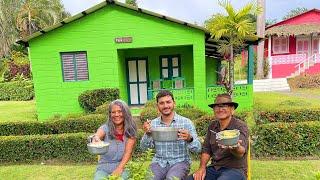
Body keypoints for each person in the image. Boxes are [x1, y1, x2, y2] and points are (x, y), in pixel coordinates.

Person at [140, 90, 201, 180]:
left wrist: (189, 139)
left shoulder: (186, 122)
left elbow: (198, 149)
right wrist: (147, 134)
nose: (165, 106)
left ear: (174, 103)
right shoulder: (153, 124)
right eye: (162, 103)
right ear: (158, 106)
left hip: (180, 162)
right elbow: (143, 148)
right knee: (149, 178)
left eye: (168, 102)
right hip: (159, 162)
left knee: (171, 179)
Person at [188, 93, 249, 180]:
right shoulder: (212, 126)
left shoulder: (240, 126)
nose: (220, 109)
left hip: (235, 170)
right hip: (215, 168)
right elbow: (206, 150)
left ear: (232, 109)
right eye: (217, 106)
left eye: (224, 106)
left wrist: (235, 147)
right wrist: (202, 168)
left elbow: (241, 152)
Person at [91, 99, 137, 180]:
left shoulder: (131, 131)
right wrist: (96, 138)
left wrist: (119, 169)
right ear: (110, 114)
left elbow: (128, 153)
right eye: (113, 112)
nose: (116, 114)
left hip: (123, 167)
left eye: (120, 111)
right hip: (103, 168)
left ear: (125, 113)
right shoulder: (105, 128)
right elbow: (98, 135)